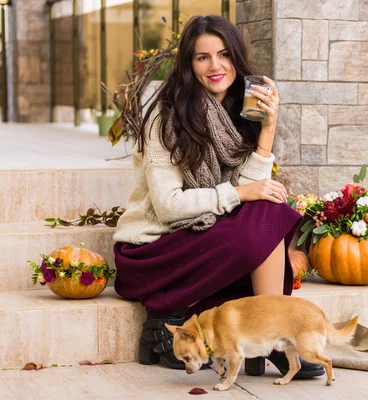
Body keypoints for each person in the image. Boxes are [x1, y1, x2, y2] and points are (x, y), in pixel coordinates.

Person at [112, 15, 324, 379]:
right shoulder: (166, 117)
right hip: (154, 250)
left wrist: (268, 129)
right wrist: (240, 192)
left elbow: (251, 191)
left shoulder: (239, 113)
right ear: (188, 65)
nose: (215, 66)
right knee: (266, 214)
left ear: (236, 58)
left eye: (224, 54)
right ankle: (272, 335)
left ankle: (261, 339)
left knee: (268, 210)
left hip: (202, 237)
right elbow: (168, 207)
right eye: (202, 57)